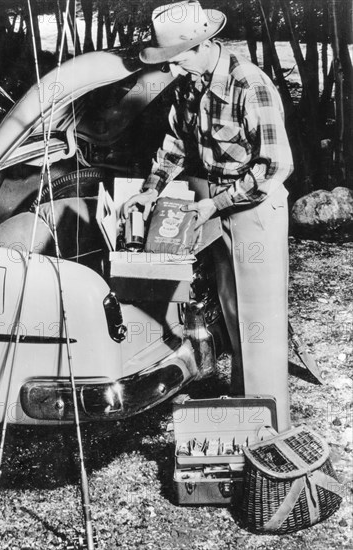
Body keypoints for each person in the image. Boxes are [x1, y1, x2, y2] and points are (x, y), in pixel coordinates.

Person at [123, 0, 294, 431]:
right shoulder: (189, 81)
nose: (173, 69)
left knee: (261, 324)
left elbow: (275, 165)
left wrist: (212, 205)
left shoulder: (249, 84)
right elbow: (177, 143)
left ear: (203, 44)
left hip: (254, 209)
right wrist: (150, 190)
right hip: (215, 206)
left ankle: (268, 430)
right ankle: (244, 409)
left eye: (176, 59)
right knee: (234, 314)